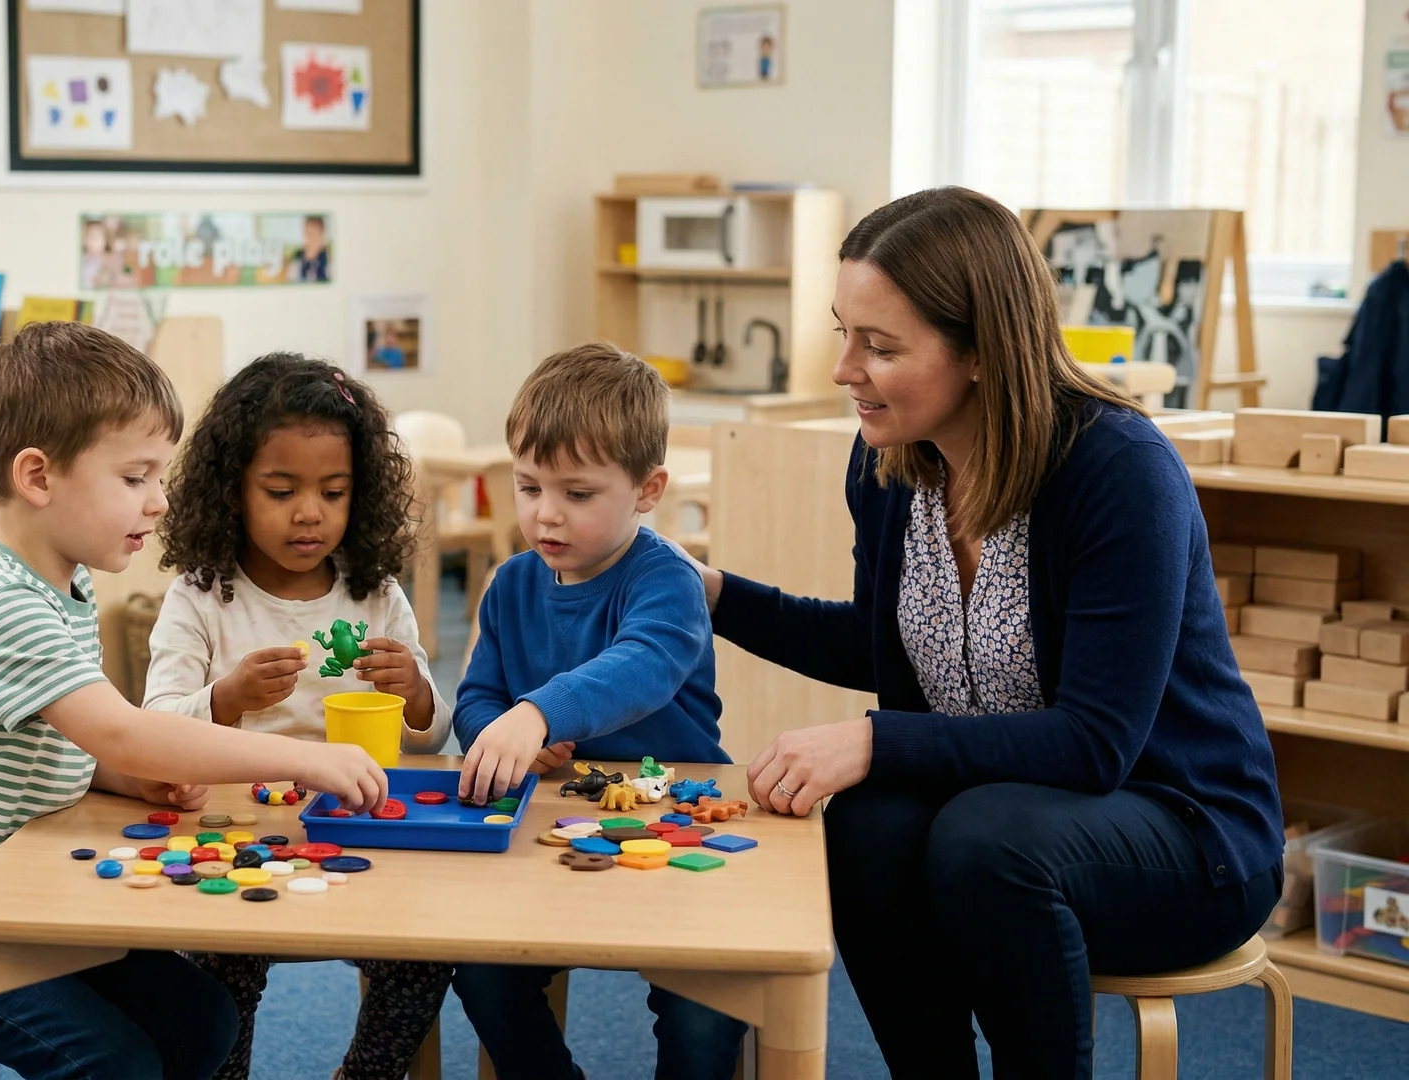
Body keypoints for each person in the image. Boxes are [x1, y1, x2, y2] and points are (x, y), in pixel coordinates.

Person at [685, 187, 1283, 1078]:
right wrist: (714, 594)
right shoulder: (887, 459)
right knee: (869, 829)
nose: (845, 367)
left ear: (978, 352)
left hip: (1186, 832)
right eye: (843, 330)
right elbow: (882, 644)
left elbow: (1094, 744)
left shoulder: (1119, 470)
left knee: (983, 839)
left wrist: (874, 740)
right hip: (1011, 820)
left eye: (880, 346)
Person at [0, 322, 389, 1080]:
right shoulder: (0, 603)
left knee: (204, 1018)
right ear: (38, 477)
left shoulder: (63, 583)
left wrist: (128, 782)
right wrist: (303, 757)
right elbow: (125, 733)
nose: (159, 503)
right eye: (135, 479)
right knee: (114, 1061)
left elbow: (77, 744)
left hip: (12, 906)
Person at [145, 354, 452, 1080]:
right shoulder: (200, 596)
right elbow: (157, 727)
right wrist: (225, 699)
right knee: (219, 969)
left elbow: (436, 735)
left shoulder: (374, 594)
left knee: (430, 948)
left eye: (334, 491)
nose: (310, 511)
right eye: (281, 490)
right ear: (232, 491)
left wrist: (414, 692)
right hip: (234, 836)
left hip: (359, 831)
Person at [448, 344, 743, 1080]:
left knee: (708, 1007)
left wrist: (538, 713)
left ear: (648, 490)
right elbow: (479, 698)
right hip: (548, 831)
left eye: (577, 494)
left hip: (672, 827)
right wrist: (497, 728)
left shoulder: (666, 579)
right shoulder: (511, 584)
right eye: (528, 487)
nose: (545, 513)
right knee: (477, 965)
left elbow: (641, 666)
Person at [294, 215, 330, 282]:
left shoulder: (329, 262)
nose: (310, 239)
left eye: (314, 234)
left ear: (322, 237)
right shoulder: (297, 261)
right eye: (307, 233)